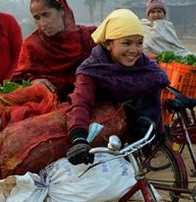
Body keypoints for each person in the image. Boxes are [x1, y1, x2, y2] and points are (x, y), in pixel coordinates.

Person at [66, 9, 170, 165]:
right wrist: (78, 137)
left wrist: (154, 129)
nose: (134, 50)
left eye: (139, 43)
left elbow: (153, 101)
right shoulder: (92, 70)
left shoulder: (146, 67)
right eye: (126, 43)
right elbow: (81, 103)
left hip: (130, 138)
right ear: (109, 44)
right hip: (98, 133)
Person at [8, 0, 96, 100]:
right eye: (37, 17)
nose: (42, 23)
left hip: (88, 99)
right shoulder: (32, 45)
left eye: (46, 15)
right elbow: (18, 79)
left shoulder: (88, 37)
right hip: (48, 103)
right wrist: (33, 82)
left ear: (62, 11)